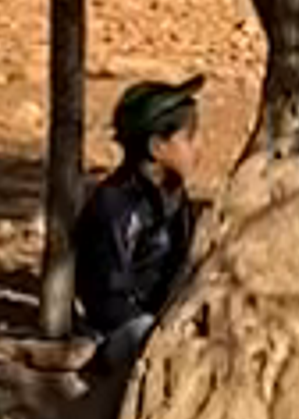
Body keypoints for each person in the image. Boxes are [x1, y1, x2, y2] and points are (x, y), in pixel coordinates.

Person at [68, 77, 205, 376]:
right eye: (189, 138)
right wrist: (163, 328)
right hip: (115, 333)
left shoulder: (174, 197)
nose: (199, 147)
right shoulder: (115, 206)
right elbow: (106, 299)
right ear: (157, 147)